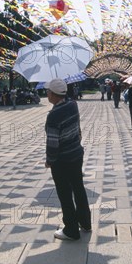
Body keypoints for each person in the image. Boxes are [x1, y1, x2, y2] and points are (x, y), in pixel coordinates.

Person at [44, 78, 91, 241]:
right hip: (76, 154)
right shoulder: (72, 104)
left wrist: (49, 160)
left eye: (48, 91)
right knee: (78, 188)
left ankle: (71, 229)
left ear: (53, 94)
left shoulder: (54, 115)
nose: (47, 94)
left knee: (65, 194)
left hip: (62, 160)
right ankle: (85, 222)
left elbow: (52, 143)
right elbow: (78, 130)